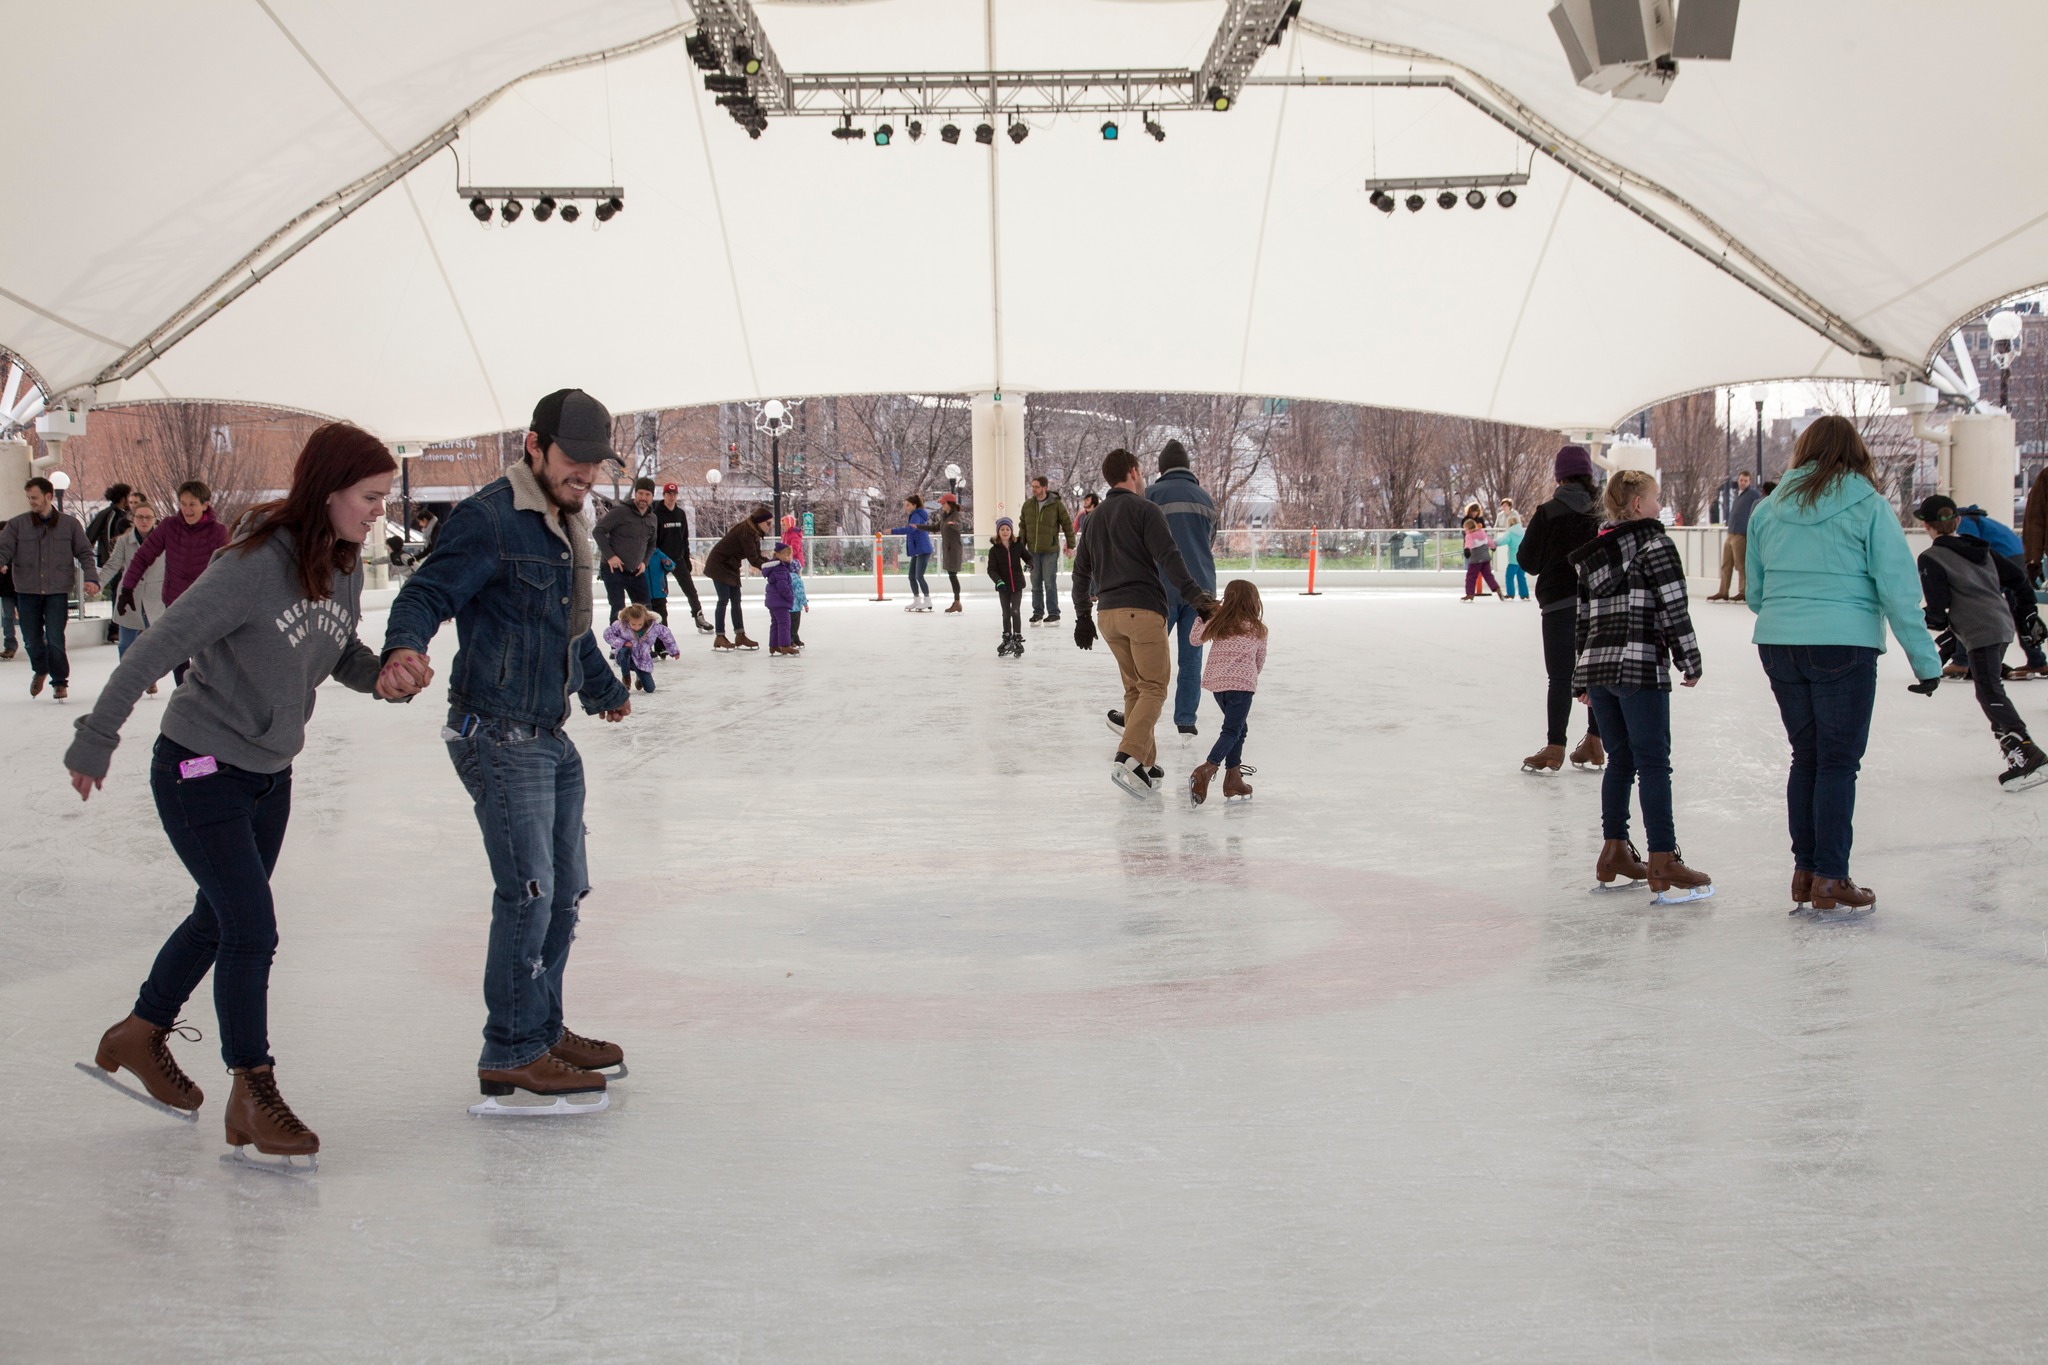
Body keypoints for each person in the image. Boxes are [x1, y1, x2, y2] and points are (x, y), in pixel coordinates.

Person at [67, 423, 418, 1164]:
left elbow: (335, 649)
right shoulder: (251, 564)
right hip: (199, 767)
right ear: (328, 491)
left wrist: (380, 674)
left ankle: (140, 1030)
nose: (378, 511)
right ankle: (252, 1090)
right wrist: (97, 737)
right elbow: (158, 645)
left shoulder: (345, 564)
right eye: (370, 497)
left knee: (218, 916)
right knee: (250, 926)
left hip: (269, 775)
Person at [380, 387, 633, 1112]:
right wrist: (404, 648)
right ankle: (512, 1049)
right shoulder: (490, 518)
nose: (584, 481)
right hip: (496, 733)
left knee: (564, 892)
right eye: (573, 465)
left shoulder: (565, 523)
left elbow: (572, 627)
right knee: (529, 891)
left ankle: (542, 1028)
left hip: (549, 735)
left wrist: (601, 686)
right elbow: (426, 594)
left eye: (593, 469)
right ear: (533, 446)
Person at [1746, 414, 1943, 916]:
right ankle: (1831, 878)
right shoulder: (1869, 506)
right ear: (1854, 452)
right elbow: (1899, 591)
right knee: (1837, 762)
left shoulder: (1767, 511)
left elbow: (1756, 594)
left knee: (1806, 758)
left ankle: (1805, 871)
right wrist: (1927, 662)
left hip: (1779, 644)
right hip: (1843, 646)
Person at [1570, 470, 1712, 902]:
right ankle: (1662, 858)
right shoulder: (1655, 544)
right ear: (1636, 505)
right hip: (1638, 667)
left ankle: (1614, 850)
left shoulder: (1595, 552)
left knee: (1620, 760)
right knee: (1653, 763)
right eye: (1655, 499)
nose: (1658, 507)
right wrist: (1690, 660)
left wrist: (1582, 676)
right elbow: (1674, 609)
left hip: (1600, 670)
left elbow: (1583, 619)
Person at [1070, 448, 1217, 797]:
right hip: (1143, 612)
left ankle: (1147, 764)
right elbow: (1171, 559)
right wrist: (1199, 599)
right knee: (1153, 687)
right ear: (1134, 472)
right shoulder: (1144, 509)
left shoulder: (1094, 518)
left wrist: (1081, 617)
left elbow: (1080, 573)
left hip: (1108, 617)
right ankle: (1129, 757)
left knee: (1136, 689)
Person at [1913, 495, 2048, 790]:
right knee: (1987, 688)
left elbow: (1937, 611)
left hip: (1980, 631)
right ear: (1958, 521)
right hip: (1999, 626)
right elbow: (2018, 579)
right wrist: (2027, 612)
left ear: (1925, 525)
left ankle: (2025, 749)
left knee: (1989, 690)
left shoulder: (1930, 558)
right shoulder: (1982, 550)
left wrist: (1914, 619)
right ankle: (2016, 750)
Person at [1516, 447, 1605, 772]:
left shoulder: (1548, 512)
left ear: (1560, 476)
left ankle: (1556, 747)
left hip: (1559, 604)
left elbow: (1527, 561)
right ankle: (1595, 741)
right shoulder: (1601, 513)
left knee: (1560, 676)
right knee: (1594, 672)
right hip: (1597, 603)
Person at [121, 479, 231, 688]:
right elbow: (143, 556)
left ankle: (207, 692)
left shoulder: (218, 532)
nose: (187, 509)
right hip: (176, 600)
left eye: (192, 504)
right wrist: (127, 588)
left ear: (205, 504)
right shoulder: (170, 526)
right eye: (183, 503)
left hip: (205, 603)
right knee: (177, 652)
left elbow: (228, 567)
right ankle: (184, 692)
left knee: (203, 652)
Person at [0, 475, 100, 700]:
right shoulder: (17, 525)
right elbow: (3, 550)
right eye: (28, 498)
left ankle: (59, 682)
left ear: (48, 496)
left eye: (34, 497)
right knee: (31, 639)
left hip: (57, 590)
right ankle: (40, 669)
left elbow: (84, 552)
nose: (31, 502)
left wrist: (92, 579)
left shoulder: (69, 525)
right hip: (27, 591)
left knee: (55, 637)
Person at [1146, 441, 1218, 737]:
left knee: (1149, 657)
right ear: (1188, 467)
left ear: (1161, 468)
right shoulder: (1205, 498)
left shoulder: (1150, 495)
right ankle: (1186, 719)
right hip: (1199, 590)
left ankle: (1142, 717)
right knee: (1191, 659)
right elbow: (1209, 540)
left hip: (1160, 587)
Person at [1186, 580, 1267, 805]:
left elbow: (1194, 640)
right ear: (1254, 601)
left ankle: (1233, 779)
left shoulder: (1218, 622)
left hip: (1218, 686)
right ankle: (1207, 768)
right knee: (1232, 730)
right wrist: (1248, 676)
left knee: (1240, 728)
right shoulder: (1258, 628)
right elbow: (1259, 661)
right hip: (1242, 687)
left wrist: (1201, 616)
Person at [1951, 502, 2048, 679]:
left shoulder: (1964, 520)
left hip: (2005, 562)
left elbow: (1971, 548)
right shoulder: (1985, 521)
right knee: (2020, 613)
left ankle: (1961, 661)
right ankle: (2038, 662)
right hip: (2019, 560)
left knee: (1973, 604)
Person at [100, 497, 167, 696]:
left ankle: (149, 677)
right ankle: (127, 679)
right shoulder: (124, 541)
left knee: (152, 641)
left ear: (155, 519)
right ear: (133, 518)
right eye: (140, 517)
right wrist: (98, 583)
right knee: (125, 643)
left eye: (148, 517)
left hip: (155, 597)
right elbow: (113, 565)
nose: (144, 521)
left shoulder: (164, 540)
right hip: (130, 597)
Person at [705, 505, 772, 650]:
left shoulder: (754, 532)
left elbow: (758, 556)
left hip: (731, 566)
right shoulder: (746, 532)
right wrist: (772, 567)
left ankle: (740, 634)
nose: (770, 526)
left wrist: (771, 563)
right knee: (723, 599)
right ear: (760, 522)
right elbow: (754, 560)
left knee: (736, 600)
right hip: (719, 565)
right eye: (768, 523)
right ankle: (720, 636)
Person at [595, 476, 658, 621]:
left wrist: (645, 562)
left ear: (652, 497)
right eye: (641, 493)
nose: (644, 497)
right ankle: (619, 644)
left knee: (645, 611)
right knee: (619, 610)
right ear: (635, 494)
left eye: (647, 495)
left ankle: (643, 643)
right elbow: (598, 531)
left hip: (636, 570)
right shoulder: (620, 511)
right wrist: (610, 556)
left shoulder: (652, 518)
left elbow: (652, 543)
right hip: (613, 569)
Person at [652, 482, 712, 634]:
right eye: (668, 494)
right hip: (661, 560)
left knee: (690, 590)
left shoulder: (680, 514)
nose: (671, 497)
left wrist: (686, 558)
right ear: (664, 495)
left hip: (678, 559)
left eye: (674, 494)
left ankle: (698, 616)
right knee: (658, 594)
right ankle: (657, 622)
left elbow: (684, 538)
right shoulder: (656, 513)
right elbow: (653, 539)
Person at [1021, 476, 1075, 625]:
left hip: (1050, 550)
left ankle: (1053, 613)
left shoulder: (1056, 505)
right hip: (1032, 551)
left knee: (1050, 583)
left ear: (1044, 487)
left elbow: (1067, 525)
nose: (1033, 489)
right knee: (1035, 583)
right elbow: (1023, 528)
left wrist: (1071, 545)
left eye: (1036, 487)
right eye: (1032, 486)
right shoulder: (1028, 505)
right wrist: (1020, 549)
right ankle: (1037, 613)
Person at [1708, 470, 1762, 602]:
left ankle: (1743, 591)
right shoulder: (1739, 495)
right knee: (1726, 564)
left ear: (1749, 482)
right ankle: (1723, 591)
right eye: (1741, 480)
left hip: (1741, 534)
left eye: (1745, 480)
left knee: (1741, 564)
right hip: (1731, 533)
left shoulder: (1753, 494)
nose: (1742, 482)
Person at [604, 603, 676, 692]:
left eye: (640, 624)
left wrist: (674, 651)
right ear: (628, 620)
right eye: (633, 624)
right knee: (625, 651)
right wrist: (622, 642)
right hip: (625, 657)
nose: (636, 627)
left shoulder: (654, 627)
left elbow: (667, 636)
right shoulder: (620, 625)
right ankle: (626, 677)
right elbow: (607, 634)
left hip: (642, 658)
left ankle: (640, 676)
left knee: (650, 689)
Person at [986, 516, 1030, 656]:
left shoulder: (1018, 546)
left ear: (1011, 531)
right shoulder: (994, 550)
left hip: (1017, 584)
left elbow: (1029, 557)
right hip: (1003, 586)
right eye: (1002, 529)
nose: (1005, 531)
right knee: (1006, 613)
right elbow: (991, 569)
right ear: (998, 532)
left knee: (1015, 611)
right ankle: (1006, 638)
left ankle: (1017, 637)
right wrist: (998, 580)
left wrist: (1029, 565)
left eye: (1007, 529)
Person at [890, 495, 935, 612]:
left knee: (919, 576)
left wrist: (892, 531)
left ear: (915, 505)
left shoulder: (916, 515)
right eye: (905, 505)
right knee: (911, 576)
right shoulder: (915, 515)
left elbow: (911, 529)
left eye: (908, 505)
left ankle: (927, 599)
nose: (906, 507)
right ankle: (916, 599)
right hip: (918, 549)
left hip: (923, 549)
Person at [764, 542, 802, 656]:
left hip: (773, 601)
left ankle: (774, 645)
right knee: (784, 623)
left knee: (775, 623)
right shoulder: (780, 569)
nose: (789, 557)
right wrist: (790, 596)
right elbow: (783, 587)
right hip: (780, 601)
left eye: (790, 555)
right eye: (786, 555)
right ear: (777, 555)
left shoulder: (775, 568)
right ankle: (785, 645)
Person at [931, 493, 966, 613]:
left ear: (949, 504)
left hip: (954, 550)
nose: (942, 505)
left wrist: (954, 524)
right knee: (952, 575)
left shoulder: (955, 515)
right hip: (948, 550)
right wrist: (918, 527)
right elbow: (936, 528)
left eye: (943, 503)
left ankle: (957, 602)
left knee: (953, 575)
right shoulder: (945, 516)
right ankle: (957, 602)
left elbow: (959, 525)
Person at [1461, 515, 1504, 600]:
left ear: (1468, 528)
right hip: (1485, 558)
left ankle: (1470, 594)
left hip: (1476, 559)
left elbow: (1468, 544)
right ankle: (1497, 589)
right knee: (1488, 575)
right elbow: (1489, 540)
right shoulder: (1481, 532)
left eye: (1465, 528)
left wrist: (1467, 550)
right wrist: (1493, 547)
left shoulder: (1469, 535)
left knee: (1471, 576)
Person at [1499, 504, 1530, 600]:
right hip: (1522, 559)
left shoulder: (1510, 532)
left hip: (1513, 559)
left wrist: (1493, 543)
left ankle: (1511, 593)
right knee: (1521, 577)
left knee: (1509, 576)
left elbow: (1503, 541)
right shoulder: (1522, 532)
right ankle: (1524, 594)